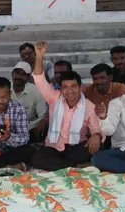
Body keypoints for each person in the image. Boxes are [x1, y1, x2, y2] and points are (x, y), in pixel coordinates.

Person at [29, 42, 102, 171]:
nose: (70, 91)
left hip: (77, 147)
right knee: (37, 158)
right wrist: (39, 56)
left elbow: (96, 129)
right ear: (60, 89)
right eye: (65, 88)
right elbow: (39, 80)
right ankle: (76, 166)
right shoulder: (54, 98)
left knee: (96, 147)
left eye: (73, 86)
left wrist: (96, 136)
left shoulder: (89, 106)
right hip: (54, 147)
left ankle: (62, 165)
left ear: (81, 87)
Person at [10, 62, 48, 143]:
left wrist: (31, 126)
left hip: (29, 130)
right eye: (17, 73)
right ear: (12, 74)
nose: (19, 77)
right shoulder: (4, 89)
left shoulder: (36, 91)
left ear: (28, 77)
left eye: (23, 74)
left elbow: (42, 115)